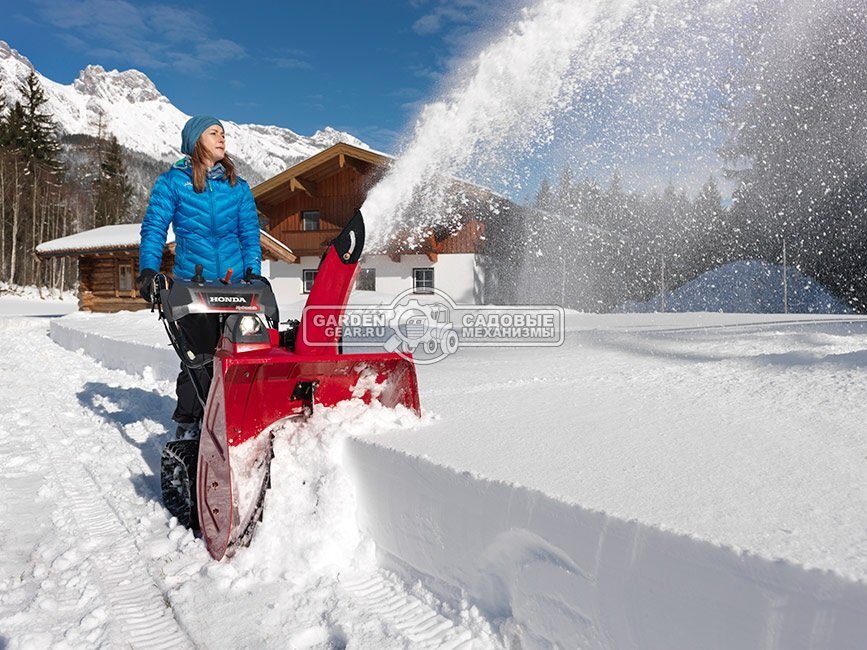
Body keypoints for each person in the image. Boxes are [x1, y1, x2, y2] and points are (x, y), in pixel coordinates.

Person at [137, 115, 262, 438]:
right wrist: (149, 270)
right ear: (196, 141)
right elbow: (154, 229)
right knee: (199, 357)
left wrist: (253, 273)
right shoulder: (173, 183)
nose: (222, 137)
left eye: (223, 133)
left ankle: (242, 416)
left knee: (246, 352)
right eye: (213, 132)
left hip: (237, 287)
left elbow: (249, 234)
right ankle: (190, 423)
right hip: (193, 286)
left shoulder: (237, 186)